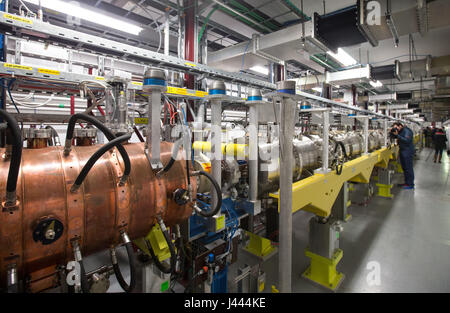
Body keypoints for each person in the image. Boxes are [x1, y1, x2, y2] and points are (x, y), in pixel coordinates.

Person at [390, 122, 415, 189]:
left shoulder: (407, 131)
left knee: (408, 168)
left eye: (396, 127)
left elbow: (407, 140)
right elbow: (396, 137)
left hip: (407, 151)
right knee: (404, 168)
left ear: (400, 126)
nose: (396, 129)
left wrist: (397, 135)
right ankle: (407, 182)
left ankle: (410, 184)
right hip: (403, 150)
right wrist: (392, 133)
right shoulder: (401, 131)